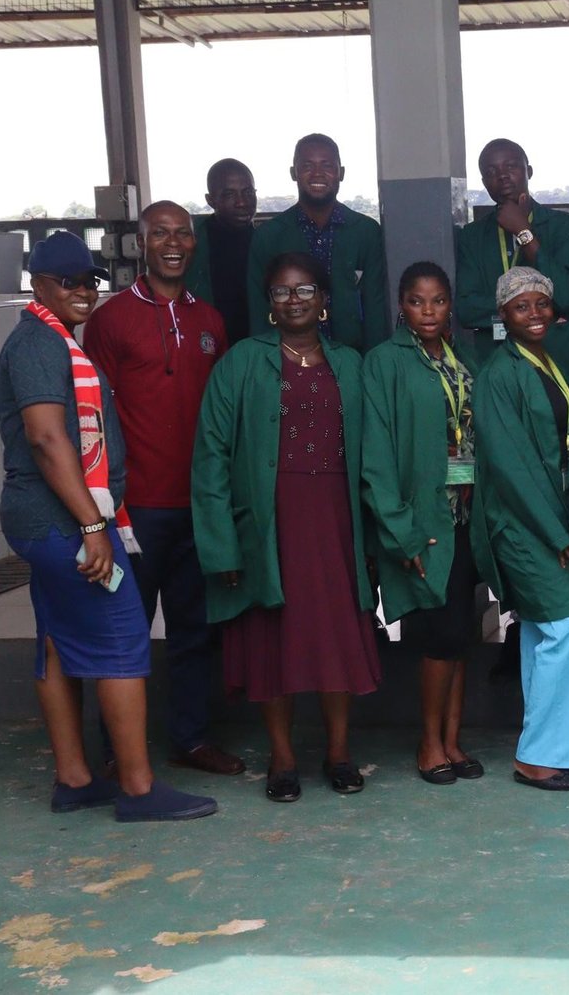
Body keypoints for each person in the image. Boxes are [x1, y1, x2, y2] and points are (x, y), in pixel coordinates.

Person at [0, 231, 217, 822]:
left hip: (50, 520)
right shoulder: (38, 343)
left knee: (56, 642)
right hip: (62, 523)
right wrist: (94, 526)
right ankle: (139, 789)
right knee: (121, 637)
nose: (83, 291)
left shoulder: (55, 340)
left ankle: (74, 779)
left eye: (90, 281)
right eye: (67, 281)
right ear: (38, 285)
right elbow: (47, 439)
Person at [194, 252, 381, 802]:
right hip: (268, 523)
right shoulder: (240, 362)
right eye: (282, 291)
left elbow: (376, 453)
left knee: (335, 635)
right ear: (269, 304)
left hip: (336, 519)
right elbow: (210, 456)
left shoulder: (351, 363)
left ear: (324, 301)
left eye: (305, 290)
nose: (294, 299)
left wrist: (379, 536)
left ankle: (339, 753)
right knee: (273, 639)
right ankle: (282, 757)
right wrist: (222, 546)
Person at [83, 201, 244, 778]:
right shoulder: (111, 320)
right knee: (123, 631)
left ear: (193, 243)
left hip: (197, 505)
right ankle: (114, 751)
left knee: (194, 632)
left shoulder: (211, 321)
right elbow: (92, 416)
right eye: (160, 234)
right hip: (134, 508)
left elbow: (222, 417)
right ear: (141, 243)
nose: (173, 244)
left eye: (182, 234)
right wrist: (102, 503)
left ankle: (190, 739)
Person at [471, 266, 569, 791]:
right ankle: (540, 756)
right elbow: (511, 467)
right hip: (522, 523)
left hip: (547, 517)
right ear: (503, 314)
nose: (534, 313)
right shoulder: (499, 375)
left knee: (544, 633)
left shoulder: (544, 359)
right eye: (520, 306)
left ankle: (540, 749)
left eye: (541, 303)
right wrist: (557, 533)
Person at [361, 262, 485, 786]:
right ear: (401, 305)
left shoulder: (462, 356)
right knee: (437, 635)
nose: (428, 311)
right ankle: (429, 742)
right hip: (423, 522)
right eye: (416, 301)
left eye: (438, 301)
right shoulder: (384, 362)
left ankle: (453, 741)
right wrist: (402, 531)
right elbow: (376, 458)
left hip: (466, 517)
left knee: (459, 634)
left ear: (450, 304)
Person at [456, 138, 569, 380]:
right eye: (491, 172)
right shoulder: (472, 236)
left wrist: (523, 232)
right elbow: (467, 309)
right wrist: (543, 308)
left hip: (559, 358)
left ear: (528, 171)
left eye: (510, 166)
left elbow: (566, 296)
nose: (502, 176)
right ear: (484, 182)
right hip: (496, 361)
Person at [245, 134, 388, 350]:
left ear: (341, 173)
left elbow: (375, 307)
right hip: (287, 357)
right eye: (307, 166)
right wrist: (264, 360)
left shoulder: (365, 231)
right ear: (293, 173)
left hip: (351, 355)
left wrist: (374, 363)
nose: (317, 173)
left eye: (327, 165)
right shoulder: (268, 236)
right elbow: (258, 308)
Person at [183, 158, 258, 345]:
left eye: (248, 192)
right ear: (210, 200)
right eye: (229, 194)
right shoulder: (190, 241)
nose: (242, 202)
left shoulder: (267, 241)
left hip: (255, 348)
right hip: (202, 345)